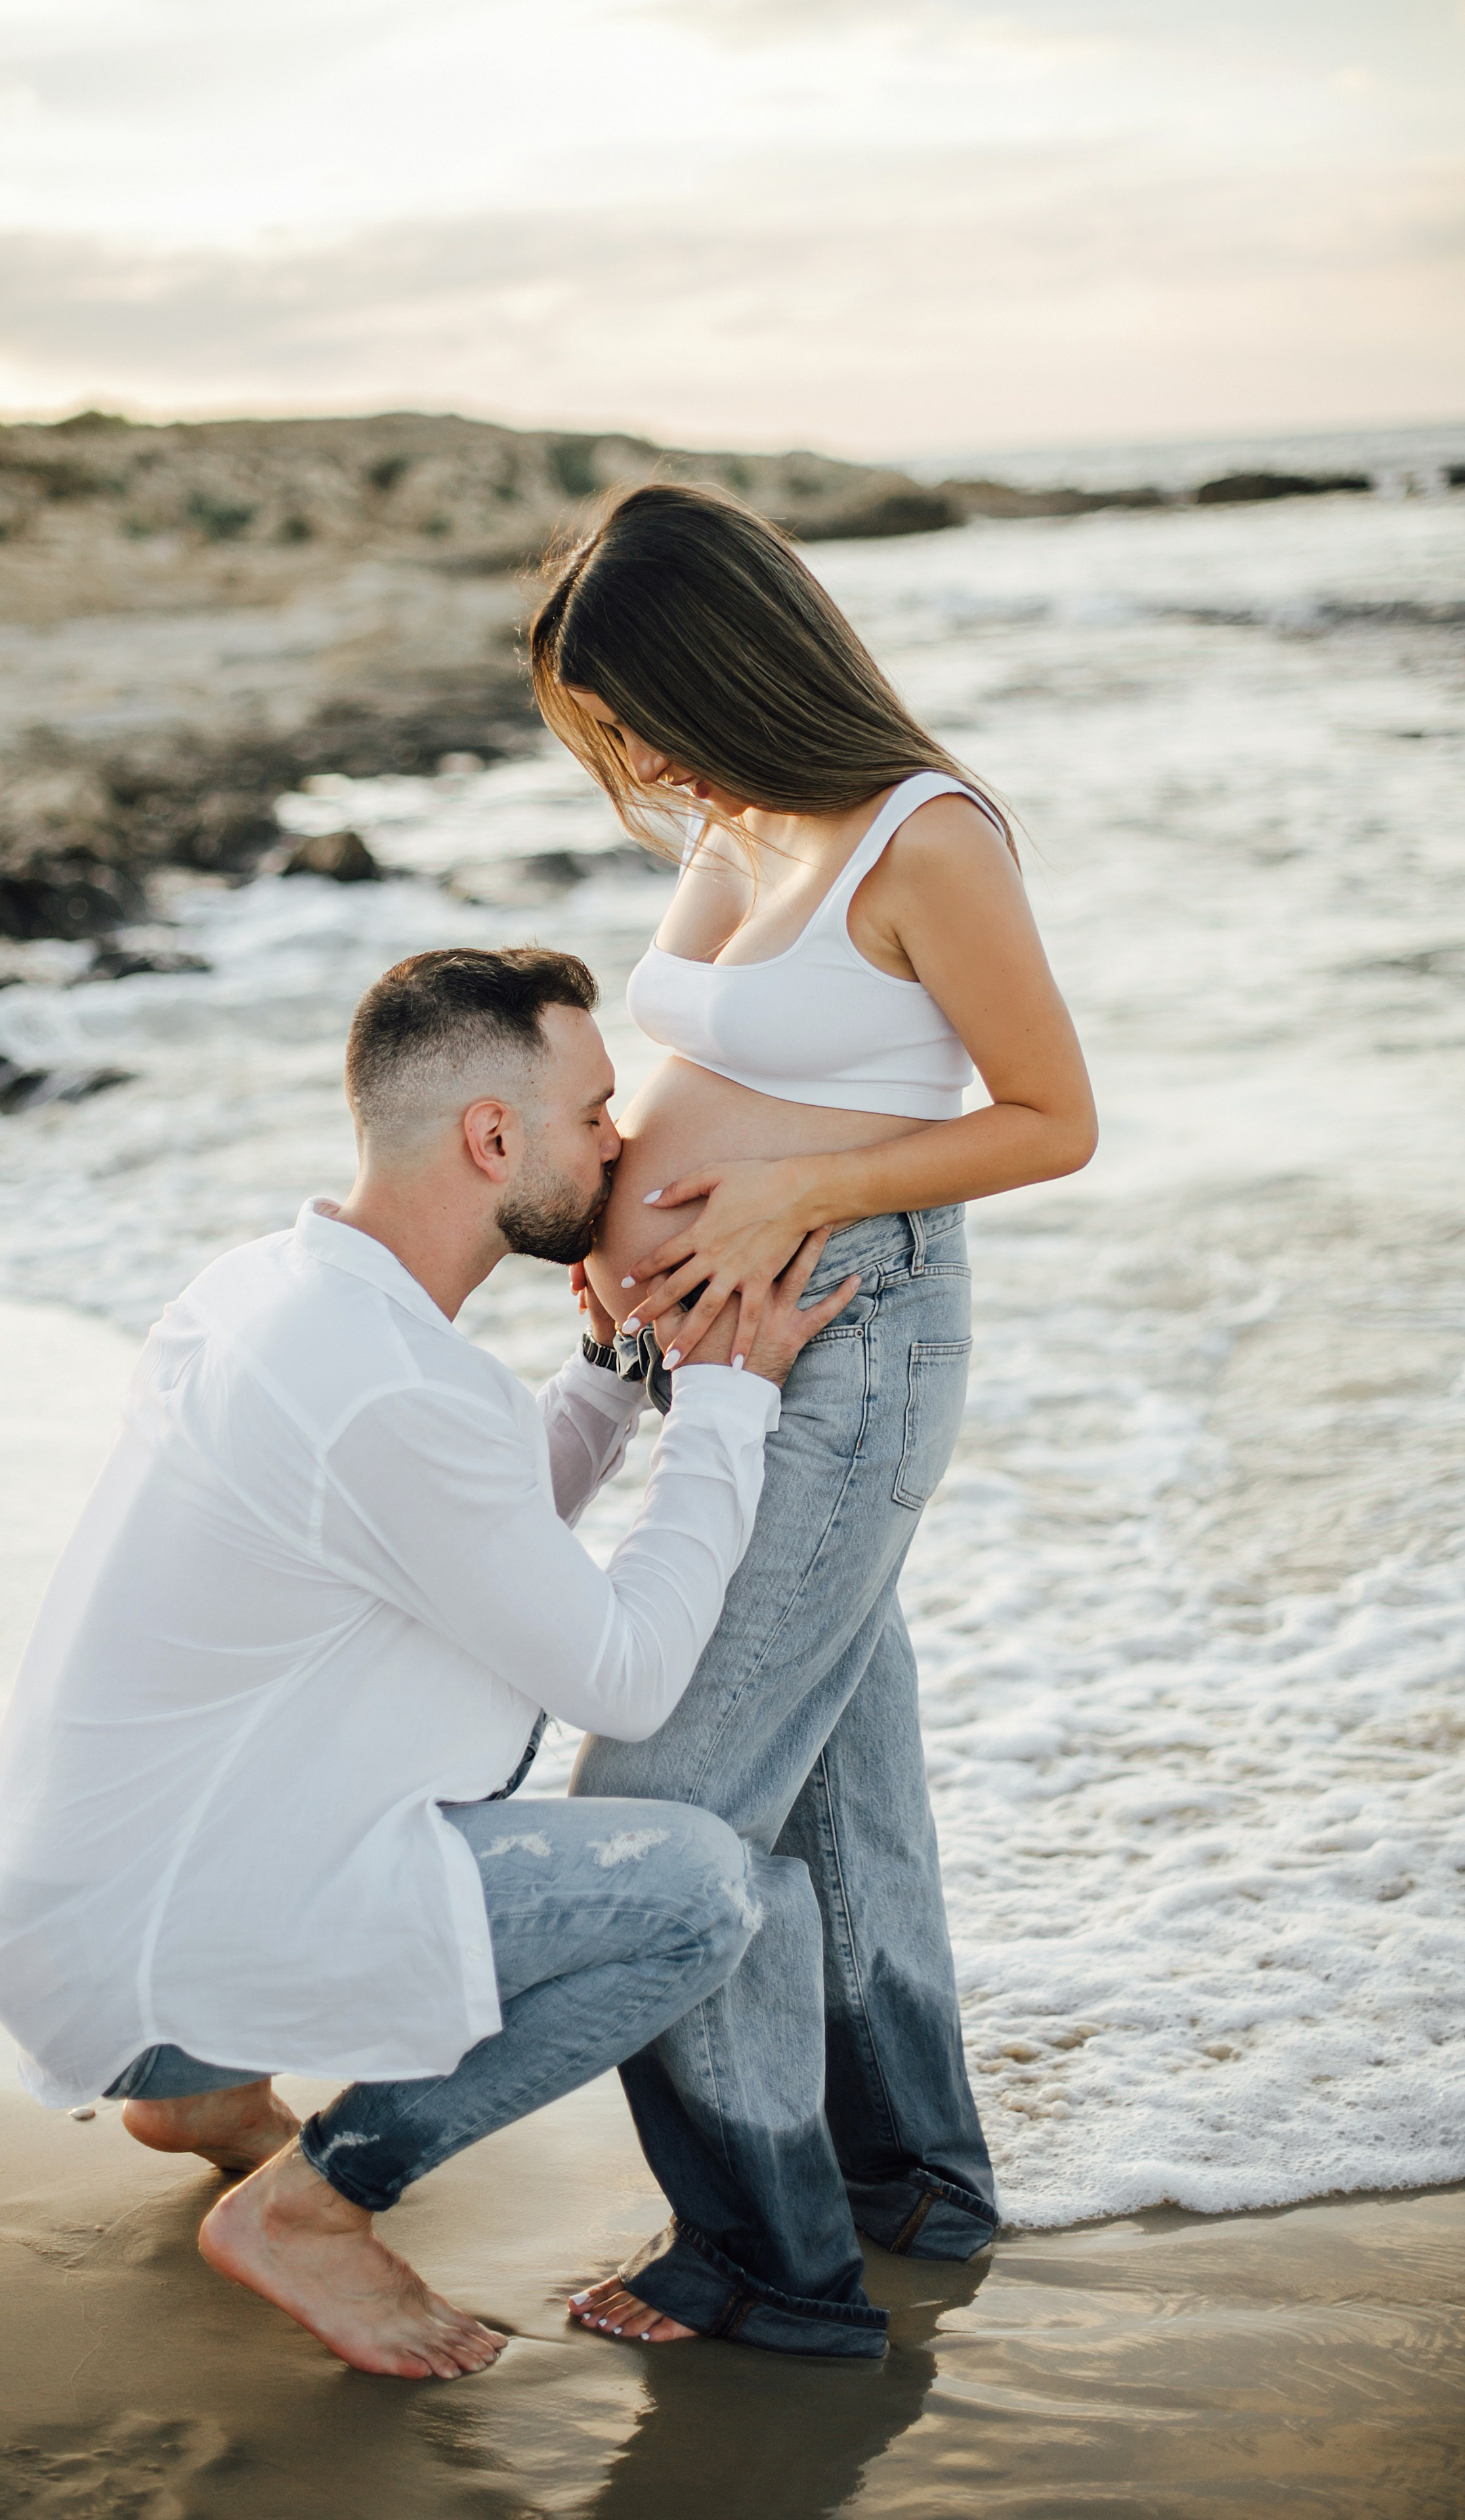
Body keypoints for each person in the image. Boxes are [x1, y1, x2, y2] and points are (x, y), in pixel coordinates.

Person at [0, 944, 860, 2382]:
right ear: (492, 1139)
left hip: (66, 1913)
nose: (620, 1140)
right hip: (149, 1947)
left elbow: (462, 1537)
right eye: (596, 1109)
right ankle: (314, 2207)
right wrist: (728, 1407)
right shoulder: (385, 1384)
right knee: (700, 1896)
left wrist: (619, 1378)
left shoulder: (281, 1294)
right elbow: (623, 1680)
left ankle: (199, 2100)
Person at [528, 483, 1099, 2358]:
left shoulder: (924, 839)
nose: (636, 757)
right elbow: (707, 1052)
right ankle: (913, 2182)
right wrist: (610, 1213)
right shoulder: (736, 814)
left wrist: (790, 1200)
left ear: (732, 660)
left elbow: (1047, 1119)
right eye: (608, 733)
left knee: (667, 1816)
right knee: (843, 1804)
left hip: (851, 1343)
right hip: (728, 1364)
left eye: (639, 710)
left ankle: (762, 2260)